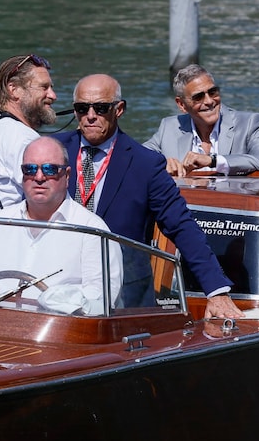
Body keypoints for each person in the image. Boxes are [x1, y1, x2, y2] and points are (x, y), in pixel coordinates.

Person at [52, 74, 244, 319]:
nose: (90, 116)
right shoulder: (50, 151)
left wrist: (216, 290)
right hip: (56, 285)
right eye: (82, 108)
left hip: (122, 294)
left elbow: (181, 225)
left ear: (119, 109)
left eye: (100, 108)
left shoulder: (146, 164)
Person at [0, 137, 122, 316]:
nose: (39, 177)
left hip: (57, 337)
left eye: (50, 169)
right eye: (30, 169)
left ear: (67, 175)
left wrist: (55, 300)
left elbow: (100, 301)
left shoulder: (93, 231)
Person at [0, 54, 58, 216]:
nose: (53, 95)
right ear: (14, 90)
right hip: (10, 239)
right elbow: (52, 201)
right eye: (44, 87)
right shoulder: (23, 138)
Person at [143, 64, 259, 177]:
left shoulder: (248, 123)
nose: (209, 101)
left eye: (212, 92)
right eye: (198, 97)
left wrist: (213, 161)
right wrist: (163, 163)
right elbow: (136, 158)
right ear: (181, 105)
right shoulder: (169, 126)